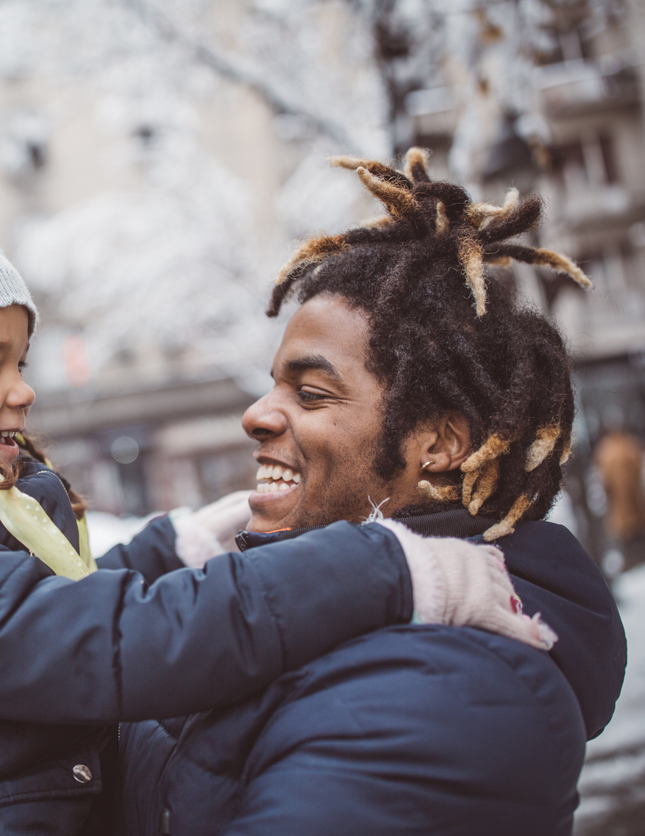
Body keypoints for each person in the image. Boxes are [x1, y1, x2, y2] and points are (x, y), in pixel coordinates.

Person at [0, 214, 541, 836]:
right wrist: (381, 567)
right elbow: (82, 641)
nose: (24, 388)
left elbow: (45, 608)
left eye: (22, 360)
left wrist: (179, 547)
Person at [119, 151, 629, 836]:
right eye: (273, 386)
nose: (258, 415)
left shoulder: (450, 693)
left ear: (440, 447)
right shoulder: (315, 624)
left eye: (311, 393)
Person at [593, 425, 645, 574]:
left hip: (619, 499)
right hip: (632, 496)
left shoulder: (605, 450)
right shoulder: (630, 444)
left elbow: (603, 476)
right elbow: (638, 464)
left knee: (626, 529)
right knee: (635, 527)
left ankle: (632, 561)